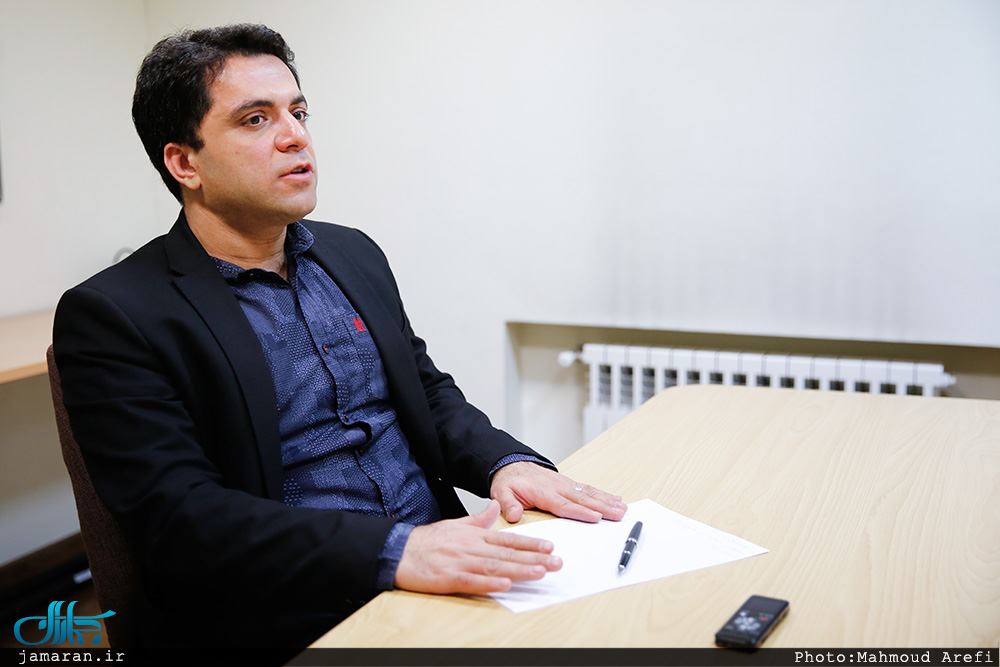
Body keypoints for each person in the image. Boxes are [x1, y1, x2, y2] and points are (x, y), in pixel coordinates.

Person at [53, 24, 625, 651]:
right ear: (185, 162)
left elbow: (427, 393)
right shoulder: (115, 314)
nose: (295, 136)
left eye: (298, 112)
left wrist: (504, 462)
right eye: (255, 119)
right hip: (293, 607)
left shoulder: (352, 254)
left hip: (443, 561)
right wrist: (397, 551)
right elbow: (182, 518)